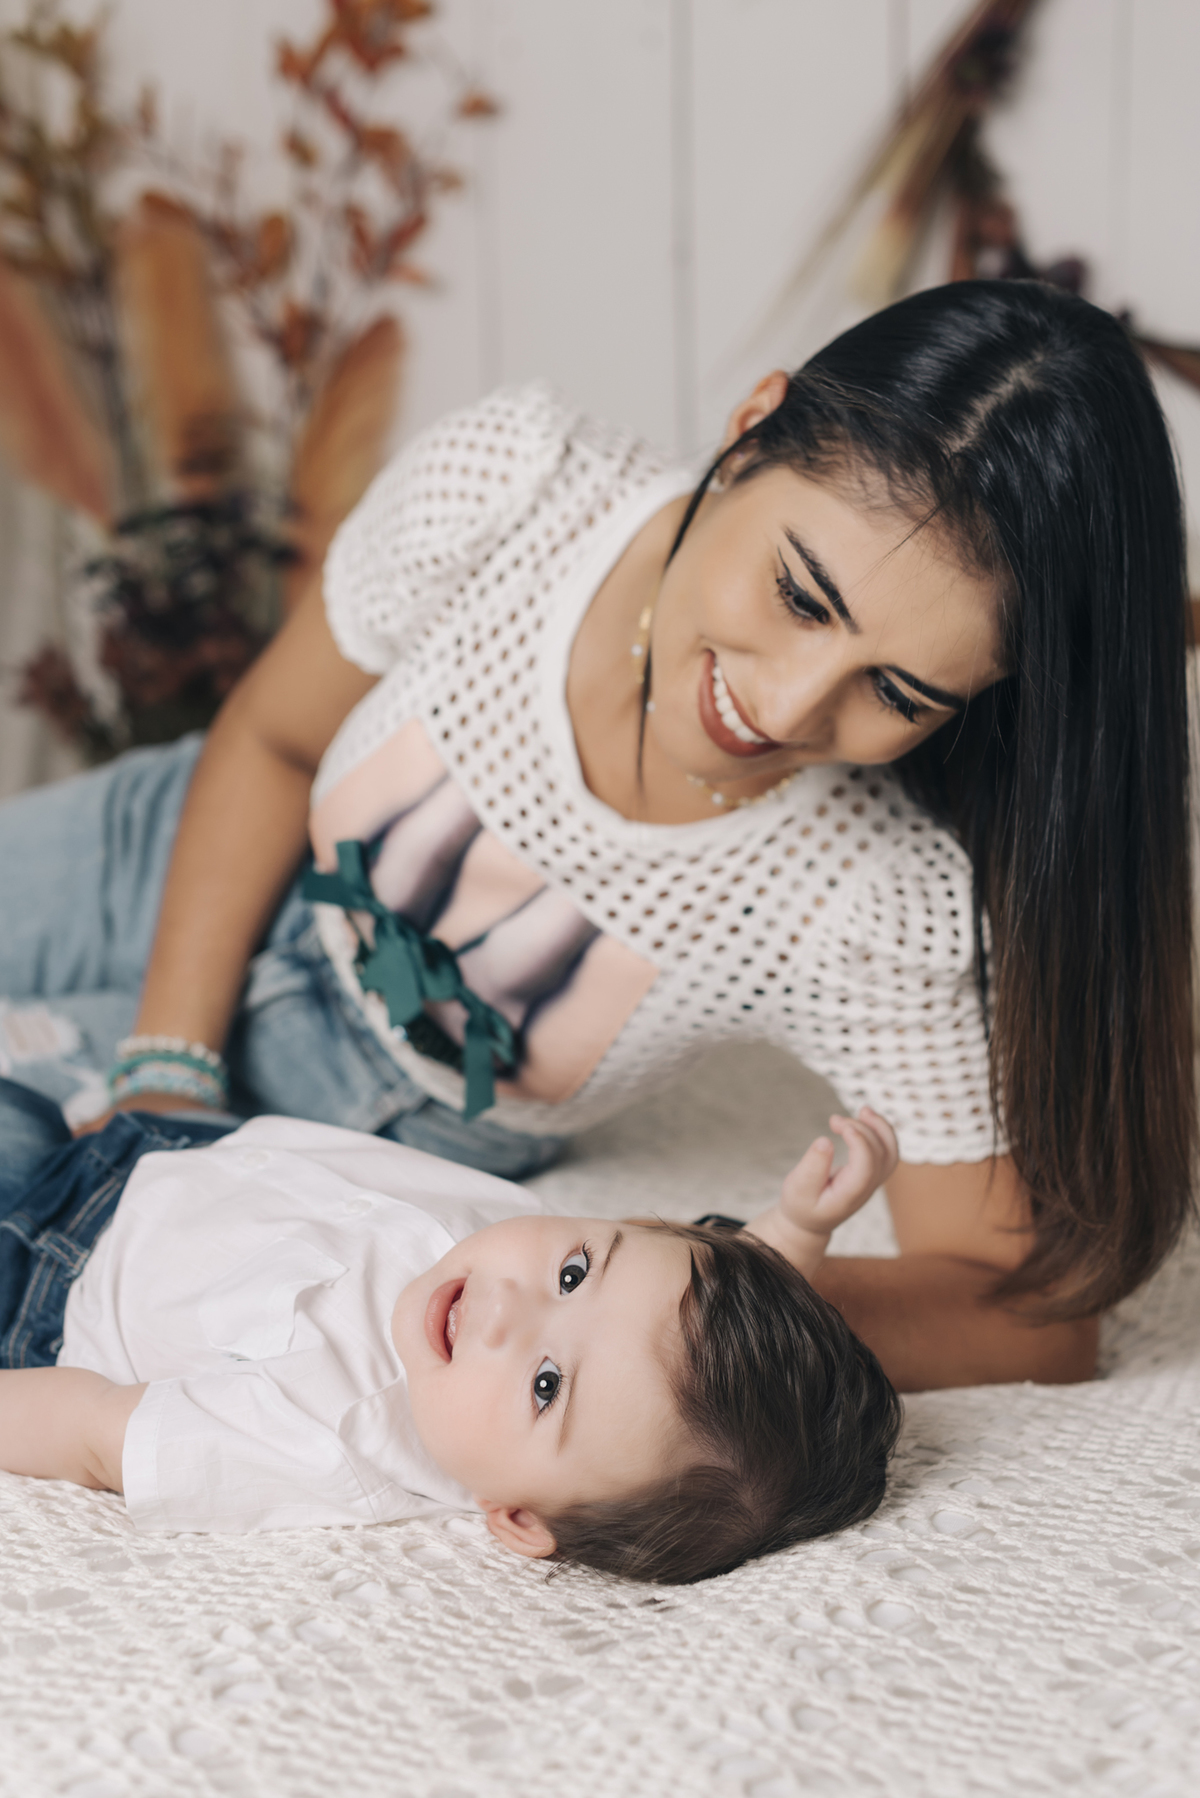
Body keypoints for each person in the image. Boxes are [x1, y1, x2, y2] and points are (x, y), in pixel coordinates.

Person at [0, 280, 1192, 1393]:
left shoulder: (876, 899)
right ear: (752, 425)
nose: (783, 709)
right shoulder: (516, 483)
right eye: (800, 594)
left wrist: (700, 1310)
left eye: (901, 693)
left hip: (348, 1101)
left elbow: (1029, 1316)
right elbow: (272, 738)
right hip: (169, 847)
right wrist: (168, 1066)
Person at [0, 1078, 900, 1585]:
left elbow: (87, 1431)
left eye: (547, 1387)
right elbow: (688, 1290)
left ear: (517, 1518)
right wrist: (798, 1230)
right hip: (145, 1147)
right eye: (576, 1271)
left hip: (41, 1275)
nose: (507, 1308)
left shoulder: (330, 1434)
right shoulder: (558, 1279)